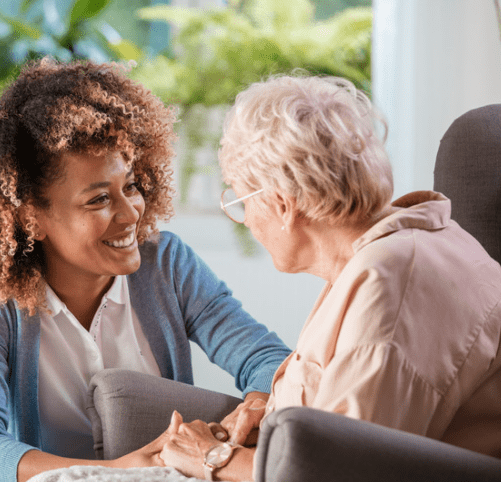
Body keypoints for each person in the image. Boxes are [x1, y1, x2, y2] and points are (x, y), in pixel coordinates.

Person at [0, 58, 291, 482]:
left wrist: (253, 408)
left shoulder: (167, 263)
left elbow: (267, 358)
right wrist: (113, 473)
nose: (130, 214)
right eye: (98, 200)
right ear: (31, 218)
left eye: (131, 186)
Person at [158, 73, 501, 481]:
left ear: (282, 204)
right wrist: (268, 411)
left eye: (240, 199)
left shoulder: (389, 284)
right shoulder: (398, 249)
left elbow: (340, 469)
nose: (245, 220)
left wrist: (213, 458)